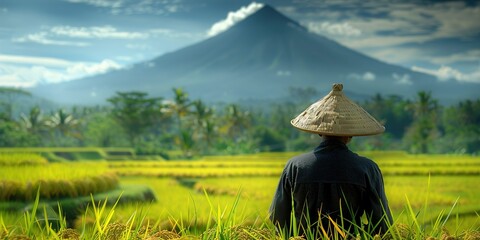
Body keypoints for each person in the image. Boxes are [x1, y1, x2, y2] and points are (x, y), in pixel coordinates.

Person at [269, 83, 392, 238]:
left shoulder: (294, 167)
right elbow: (382, 224)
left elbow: (278, 218)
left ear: (320, 132)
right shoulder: (367, 168)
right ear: (351, 134)